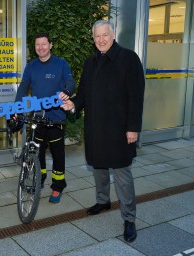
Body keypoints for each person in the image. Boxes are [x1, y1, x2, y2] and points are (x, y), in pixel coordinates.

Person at [60, 20, 145, 242]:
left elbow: (136, 96)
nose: (101, 40)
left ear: (113, 34)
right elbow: (84, 93)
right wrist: (74, 105)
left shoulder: (128, 58)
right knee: (98, 166)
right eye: (97, 36)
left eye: (105, 35)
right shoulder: (90, 62)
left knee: (122, 174)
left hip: (119, 128)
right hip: (96, 127)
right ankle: (103, 200)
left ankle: (129, 219)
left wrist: (133, 128)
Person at [14, 32, 75, 203]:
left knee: (58, 154)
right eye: (37, 45)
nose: (40, 48)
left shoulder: (60, 64)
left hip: (56, 118)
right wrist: (17, 107)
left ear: (50, 45)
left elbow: (70, 82)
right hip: (37, 117)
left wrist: (67, 92)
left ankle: (58, 186)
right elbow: (23, 87)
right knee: (37, 151)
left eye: (43, 44)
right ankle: (39, 179)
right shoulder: (31, 66)